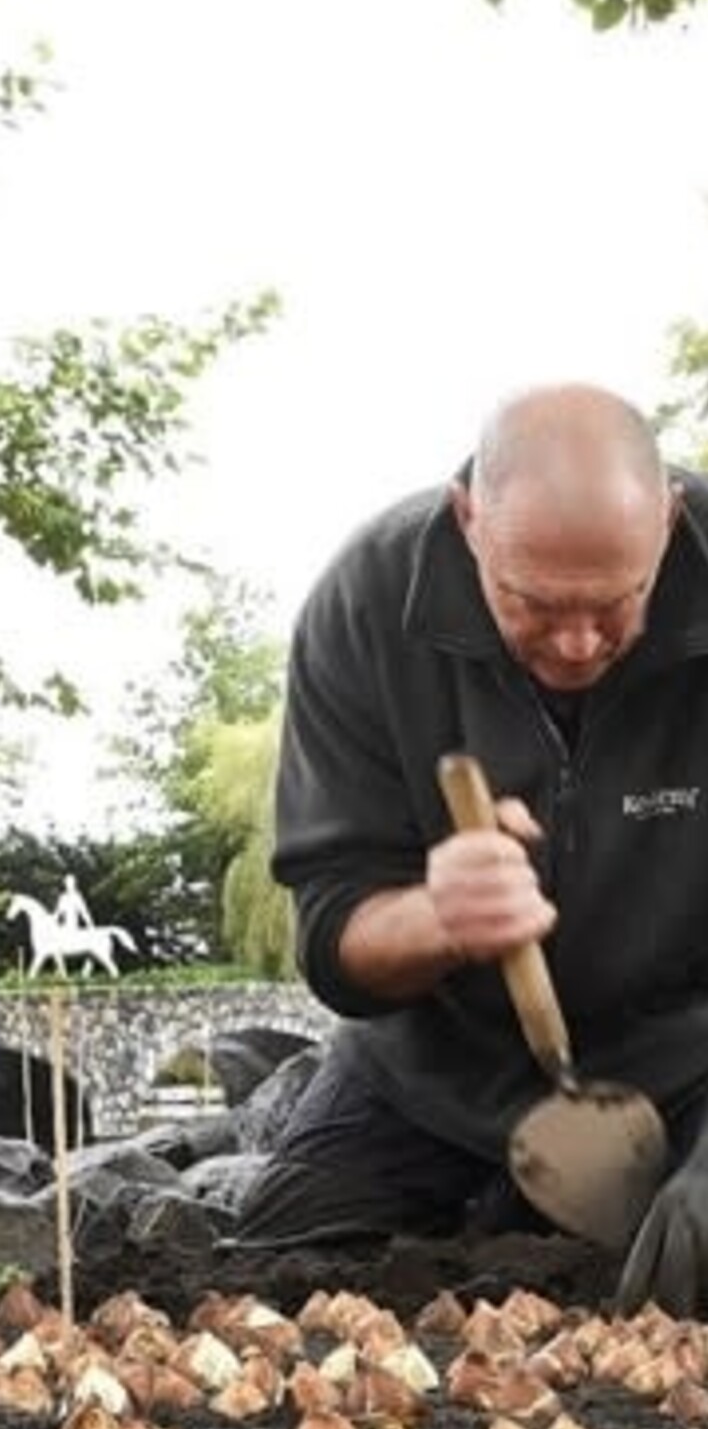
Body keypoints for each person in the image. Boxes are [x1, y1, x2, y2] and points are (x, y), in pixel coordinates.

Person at [229, 380, 708, 1314]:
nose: (578, 644)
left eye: (618, 602)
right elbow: (332, 936)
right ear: (469, 522)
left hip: (689, 1062)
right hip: (433, 1067)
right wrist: (435, 917)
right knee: (272, 1290)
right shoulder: (365, 602)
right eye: (534, 603)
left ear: (668, 520)